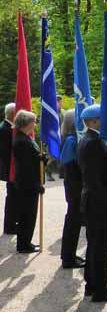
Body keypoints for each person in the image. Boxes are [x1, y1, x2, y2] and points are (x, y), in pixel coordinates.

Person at [78, 104, 107, 302]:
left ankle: (93, 284)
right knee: (99, 246)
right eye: (102, 118)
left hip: (95, 201)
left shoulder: (92, 139)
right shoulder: (93, 142)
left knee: (95, 244)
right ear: (94, 121)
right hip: (97, 203)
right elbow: (94, 180)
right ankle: (99, 290)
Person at [12, 110, 45, 254]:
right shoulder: (21, 141)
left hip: (29, 183)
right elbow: (27, 167)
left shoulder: (26, 138)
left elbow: (33, 159)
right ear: (27, 123)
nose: (35, 124)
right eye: (34, 121)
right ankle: (23, 245)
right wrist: (36, 185)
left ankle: (26, 241)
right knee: (27, 215)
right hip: (27, 184)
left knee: (29, 214)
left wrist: (41, 158)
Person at [59, 110, 85, 269]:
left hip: (74, 185)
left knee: (74, 222)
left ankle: (69, 255)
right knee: (72, 222)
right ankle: (68, 258)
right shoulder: (71, 140)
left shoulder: (72, 139)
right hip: (74, 186)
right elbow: (69, 162)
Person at [1, 103, 17, 235]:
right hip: (9, 169)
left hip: (10, 169)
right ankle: (9, 226)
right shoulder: (5, 129)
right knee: (12, 198)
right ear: (13, 114)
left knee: (12, 198)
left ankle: (11, 224)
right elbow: (7, 153)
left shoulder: (7, 127)